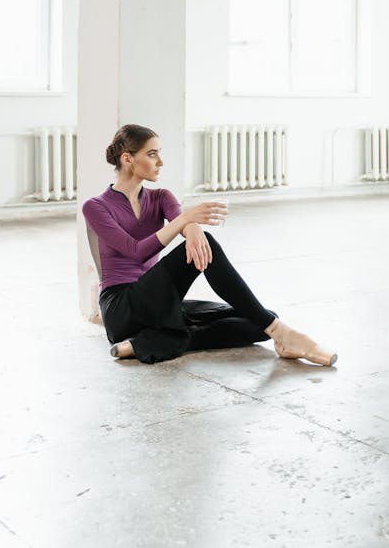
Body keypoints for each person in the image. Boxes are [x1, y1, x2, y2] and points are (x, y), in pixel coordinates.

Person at [82, 123, 337, 367]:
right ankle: (284, 334)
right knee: (262, 316)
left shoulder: (161, 197)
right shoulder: (95, 207)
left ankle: (145, 344)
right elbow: (136, 252)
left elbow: (185, 223)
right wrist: (185, 220)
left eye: (159, 153)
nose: (160, 162)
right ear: (127, 159)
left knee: (256, 321)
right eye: (152, 154)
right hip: (122, 308)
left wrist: (190, 226)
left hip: (158, 302)